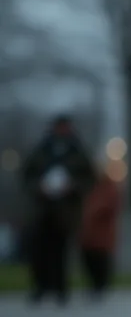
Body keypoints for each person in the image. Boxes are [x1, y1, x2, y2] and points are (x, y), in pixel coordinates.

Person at [21, 116, 95, 305]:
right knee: (39, 249)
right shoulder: (41, 149)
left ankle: (61, 288)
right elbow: (27, 175)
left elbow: (89, 178)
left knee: (61, 251)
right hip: (42, 209)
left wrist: (73, 186)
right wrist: (39, 187)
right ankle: (40, 286)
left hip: (66, 210)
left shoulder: (77, 151)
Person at [79, 162, 123, 298]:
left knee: (101, 259)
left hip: (102, 231)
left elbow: (111, 205)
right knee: (89, 259)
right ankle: (94, 285)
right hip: (88, 233)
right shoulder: (88, 186)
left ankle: (101, 285)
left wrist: (95, 212)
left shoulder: (108, 187)